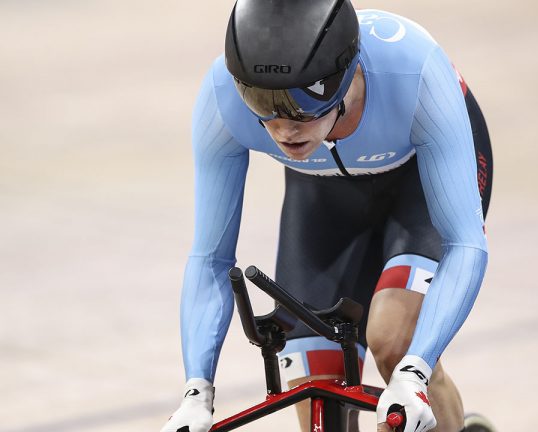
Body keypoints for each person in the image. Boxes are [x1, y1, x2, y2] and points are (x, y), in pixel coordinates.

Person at [161, 0, 494, 431]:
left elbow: (464, 243)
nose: (284, 128)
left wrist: (415, 372)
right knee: (316, 387)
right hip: (323, 195)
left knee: (394, 340)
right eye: (262, 101)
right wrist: (196, 391)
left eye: (302, 103)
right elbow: (211, 257)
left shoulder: (413, 70)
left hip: (420, 182)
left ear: (344, 75)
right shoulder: (222, 94)